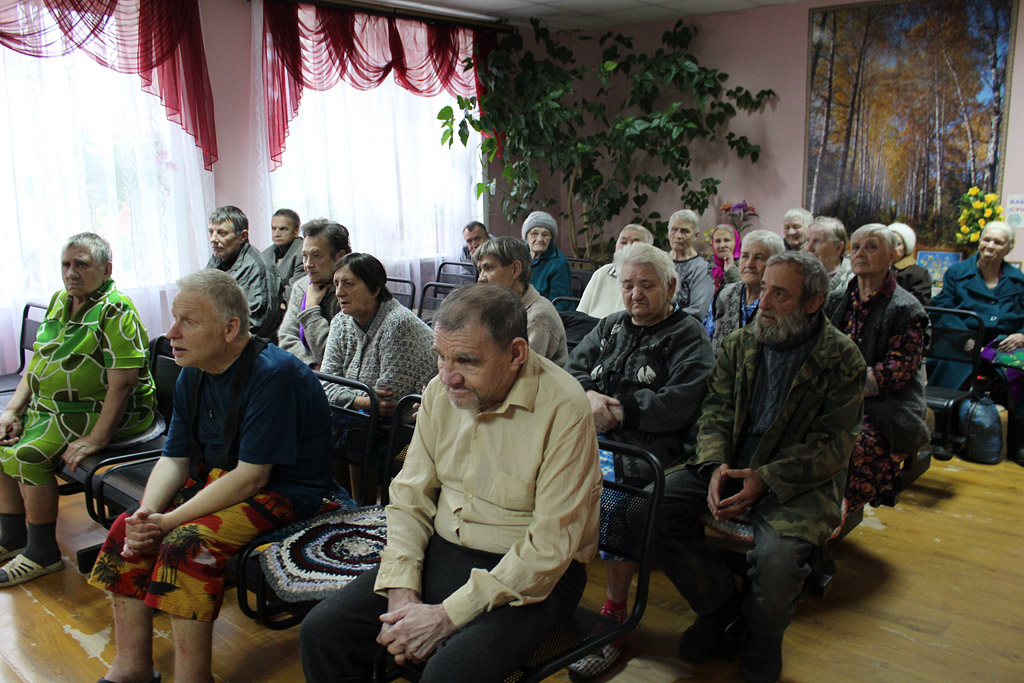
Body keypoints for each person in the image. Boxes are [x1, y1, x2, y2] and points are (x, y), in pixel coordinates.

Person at [299, 283, 603, 683]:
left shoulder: (564, 407)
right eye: (440, 357)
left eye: (467, 361)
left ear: (516, 353)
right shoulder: (439, 392)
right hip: (446, 549)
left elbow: (549, 549)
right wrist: (401, 587)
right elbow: (409, 497)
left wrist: (446, 616)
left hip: (536, 574)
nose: (447, 376)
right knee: (322, 633)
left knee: (449, 675)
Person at [87, 269, 333, 683]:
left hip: (285, 492)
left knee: (185, 545)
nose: (171, 333)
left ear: (230, 328)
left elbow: (252, 478)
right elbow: (174, 457)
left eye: (188, 321)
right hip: (222, 477)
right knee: (127, 529)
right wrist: (147, 514)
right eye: (174, 319)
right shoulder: (194, 370)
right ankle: (132, 667)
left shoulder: (273, 375)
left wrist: (168, 522)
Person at [658, 252, 865, 683]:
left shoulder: (842, 359)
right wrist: (715, 463)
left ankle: (761, 638)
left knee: (777, 562)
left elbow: (833, 445)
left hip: (797, 480)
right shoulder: (740, 344)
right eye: (764, 288)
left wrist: (766, 479)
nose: (763, 302)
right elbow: (714, 411)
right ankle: (717, 606)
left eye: (779, 294)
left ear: (813, 303)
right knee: (652, 507)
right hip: (730, 462)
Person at [564, 242, 715, 678]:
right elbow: (572, 369)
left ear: (671, 286)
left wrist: (620, 411)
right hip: (591, 436)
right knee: (537, 477)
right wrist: (588, 395)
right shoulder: (611, 325)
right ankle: (546, 594)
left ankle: (614, 613)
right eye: (628, 285)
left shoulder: (688, 336)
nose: (635, 294)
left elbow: (681, 402)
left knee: (616, 499)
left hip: (650, 449)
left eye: (646, 285)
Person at [0, 233, 156, 587]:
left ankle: (42, 553)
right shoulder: (61, 301)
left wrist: (97, 438)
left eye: (82, 264)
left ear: (106, 269)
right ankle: (12, 537)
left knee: (27, 454)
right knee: (2, 439)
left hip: (103, 414)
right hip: (52, 411)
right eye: (66, 264)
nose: (71, 273)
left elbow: (123, 384)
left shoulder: (115, 309)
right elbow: (39, 362)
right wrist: (12, 410)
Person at [826, 224, 929, 509]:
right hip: (835, 400)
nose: (860, 253)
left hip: (888, 408)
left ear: (892, 256)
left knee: (850, 449)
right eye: (856, 247)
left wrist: (833, 388)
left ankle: (833, 517)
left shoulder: (906, 309)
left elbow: (893, 373)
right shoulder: (836, 300)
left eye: (871, 247)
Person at [931, 221, 1024, 461]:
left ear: (1008, 248)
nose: (990, 246)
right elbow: (942, 308)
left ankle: (1019, 443)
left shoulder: (1018, 280)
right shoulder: (957, 273)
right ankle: (944, 435)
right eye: (986, 239)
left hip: (1004, 344)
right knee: (947, 364)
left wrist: (1021, 335)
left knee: (1022, 370)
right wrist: (965, 339)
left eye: (998, 242)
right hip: (963, 341)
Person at [320, 253, 436, 418]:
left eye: (348, 284)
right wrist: (361, 401)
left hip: (406, 423)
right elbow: (325, 385)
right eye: (336, 284)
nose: (339, 292)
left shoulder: (398, 324)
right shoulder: (340, 322)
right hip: (360, 417)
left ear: (374, 289)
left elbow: (388, 400)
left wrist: (344, 394)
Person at [474, 237, 568, 366]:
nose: (480, 278)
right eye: (480, 270)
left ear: (515, 270)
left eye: (489, 268)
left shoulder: (537, 317)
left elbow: (519, 371)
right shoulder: (497, 305)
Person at [278, 218, 351, 368]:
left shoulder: (353, 290)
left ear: (340, 256)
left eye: (317, 255)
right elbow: (286, 338)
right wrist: (310, 366)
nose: (308, 264)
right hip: (309, 371)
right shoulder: (302, 286)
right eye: (305, 256)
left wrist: (311, 308)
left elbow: (335, 354)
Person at [205, 205, 282, 339]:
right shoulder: (218, 258)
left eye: (222, 233)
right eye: (211, 232)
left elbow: (255, 324)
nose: (213, 239)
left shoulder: (258, 268)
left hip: (247, 344)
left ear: (243, 236)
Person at [705, 230, 786, 355]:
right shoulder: (724, 295)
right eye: (745, 256)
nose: (749, 264)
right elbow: (707, 340)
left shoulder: (781, 303)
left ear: (776, 263)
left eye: (758, 258)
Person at [576, 224, 654, 319]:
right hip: (592, 326)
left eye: (635, 243)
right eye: (623, 242)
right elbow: (580, 314)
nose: (628, 246)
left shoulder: (651, 280)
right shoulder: (602, 273)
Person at [666, 209, 714, 318]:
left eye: (685, 231)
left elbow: (698, 311)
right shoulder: (659, 260)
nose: (678, 235)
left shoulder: (701, 268)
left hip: (683, 325)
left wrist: (664, 316)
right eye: (674, 229)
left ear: (695, 236)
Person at [523, 210, 574, 311]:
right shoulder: (518, 254)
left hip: (547, 313)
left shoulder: (559, 263)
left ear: (551, 239)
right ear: (526, 237)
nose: (539, 239)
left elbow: (560, 305)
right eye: (534, 233)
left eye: (545, 234)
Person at [803, 216, 853, 292]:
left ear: (838, 248)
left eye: (817, 241)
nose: (808, 248)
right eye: (807, 240)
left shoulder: (852, 281)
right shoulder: (797, 274)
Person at [888, 222, 932, 306]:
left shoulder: (918, 274)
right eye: (888, 243)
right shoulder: (875, 268)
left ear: (906, 248)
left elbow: (918, 305)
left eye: (898, 244)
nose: (892, 248)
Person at [262, 208, 305, 290]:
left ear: (296, 231)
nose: (276, 234)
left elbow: (295, 289)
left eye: (283, 229)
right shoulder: (265, 254)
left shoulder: (303, 253)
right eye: (273, 229)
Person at [711, 224, 742, 292]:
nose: (722, 245)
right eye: (718, 241)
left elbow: (741, 292)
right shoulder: (707, 264)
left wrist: (731, 270)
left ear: (736, 242)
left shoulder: (744, 264)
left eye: (726, 240)